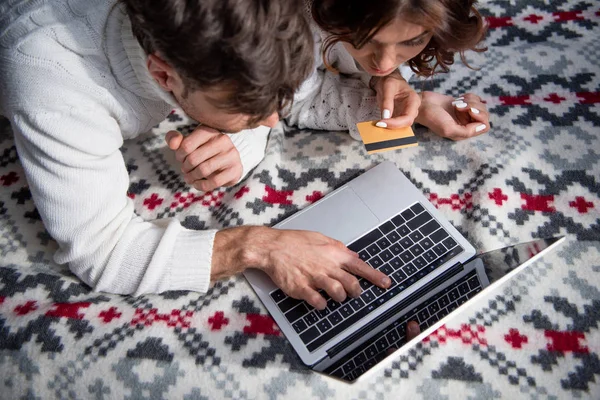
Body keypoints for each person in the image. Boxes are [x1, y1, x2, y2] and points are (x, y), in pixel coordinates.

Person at [0, 0, 391, 310]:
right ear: (165, 76)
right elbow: (103, 252)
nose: (274, 120)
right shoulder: (54, 80)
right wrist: (258, 246)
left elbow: (302, 94)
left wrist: (401, 113)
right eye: (249, 107)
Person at [286, 0, 491, 141]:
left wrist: (420, 104)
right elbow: (294, 101)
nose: (384, 64)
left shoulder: (433, 17)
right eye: (365, 39)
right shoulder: (291, 23)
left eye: (412, 41)